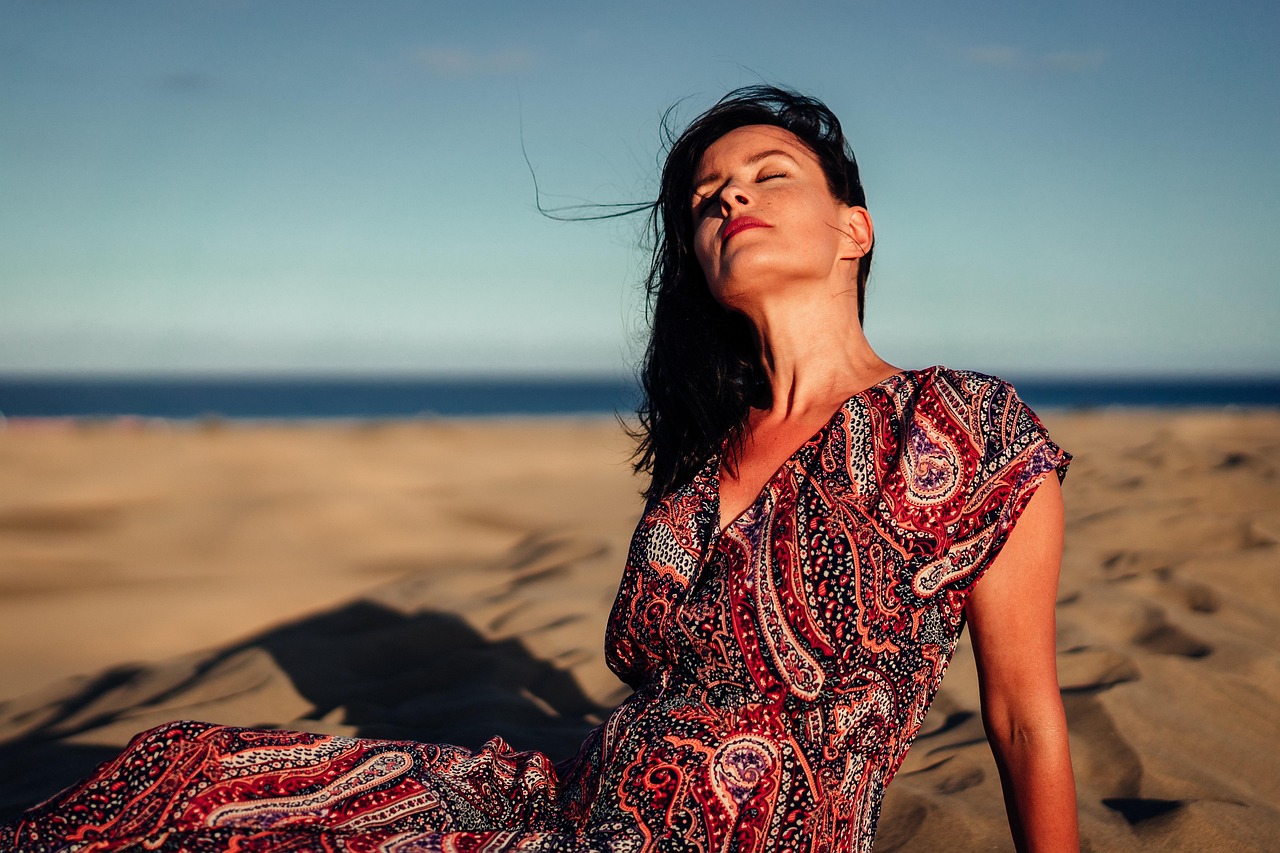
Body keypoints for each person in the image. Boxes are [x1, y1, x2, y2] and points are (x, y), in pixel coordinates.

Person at [2, 86, 1077, 853]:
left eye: (767, 176)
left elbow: (1024, 717)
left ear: (854, 229)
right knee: (189, 771)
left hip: (741, 833)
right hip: (557, 803)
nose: (727, 200)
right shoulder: (701, 460)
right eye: (706, 196)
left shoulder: (961, 424)